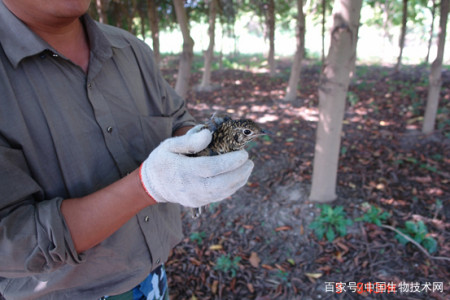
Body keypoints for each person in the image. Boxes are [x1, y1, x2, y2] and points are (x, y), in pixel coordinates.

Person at [0, 0, 254, 299]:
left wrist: (201, 149)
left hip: (152, 279)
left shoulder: (130, 49)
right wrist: (146, 187)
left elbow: (175, 119)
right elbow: (11, 242)